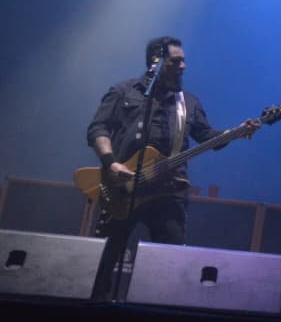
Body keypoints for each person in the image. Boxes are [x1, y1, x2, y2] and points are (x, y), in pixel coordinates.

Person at [86, 36, 258, 300]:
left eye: (184, 60)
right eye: (176, 61)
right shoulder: (124, 91)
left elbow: (207, 136)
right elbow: (98, 128)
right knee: (103, 261)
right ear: (156, 63)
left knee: (171, 263)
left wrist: (235, 133)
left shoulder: (187, 103)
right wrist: (111, 163)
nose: (184, 66)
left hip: (168, 192)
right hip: (122, 189)